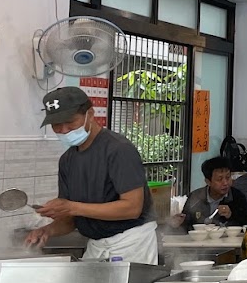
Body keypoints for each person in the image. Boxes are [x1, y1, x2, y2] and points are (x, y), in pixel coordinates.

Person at [25, 86, 159, 264]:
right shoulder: (67, 160)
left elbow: (132, 208)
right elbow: (70, 221)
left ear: (90, 114)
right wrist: (47, 230)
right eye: (56, 125)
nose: (64, 130)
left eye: (70, 122)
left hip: (131, 245)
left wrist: (71, 207)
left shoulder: (118, 150)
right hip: (96, 245)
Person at [174, 156, 247, 230]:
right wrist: (175, 224)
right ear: (208, 181)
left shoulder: (237, 197)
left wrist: (231, 215)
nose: (225, 183)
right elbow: (184, 227)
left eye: (228, 177)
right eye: (219, 179)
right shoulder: (195, 197)